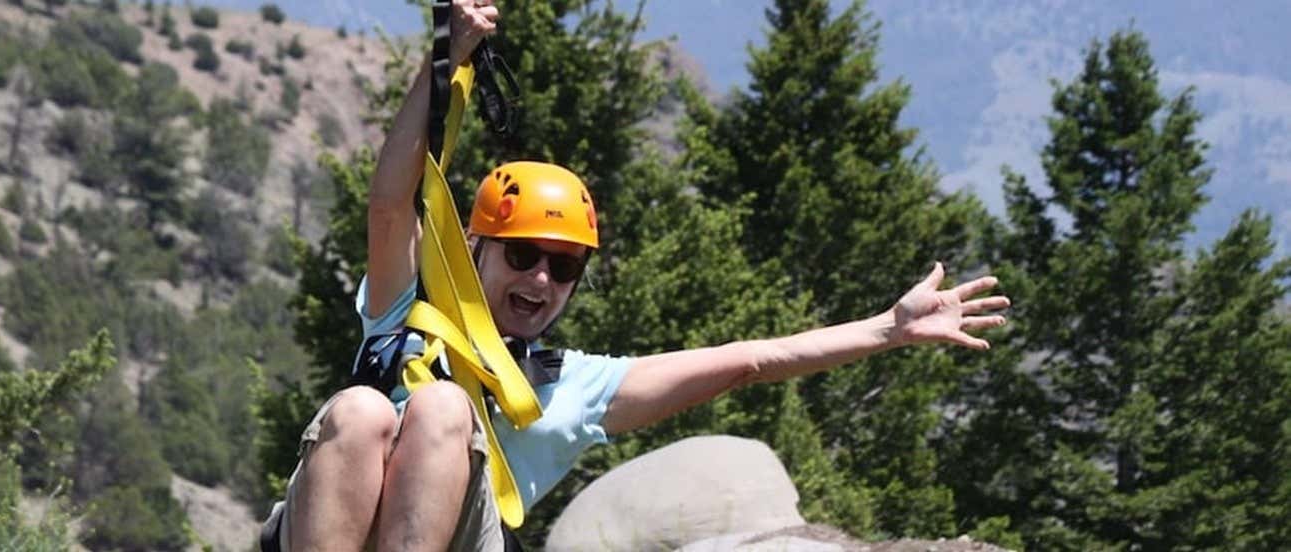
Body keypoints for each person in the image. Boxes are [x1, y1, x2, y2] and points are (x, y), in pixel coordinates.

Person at [259, 1, 1011, 550]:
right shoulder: (406, 318)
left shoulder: (577, 385)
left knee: (442, 414)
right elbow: (392, 204)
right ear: (477, 250)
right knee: (362, 411)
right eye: (523, 255)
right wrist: (444, 63)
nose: (542, 280)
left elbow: (748, 364)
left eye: (564, 267)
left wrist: (888, 329)